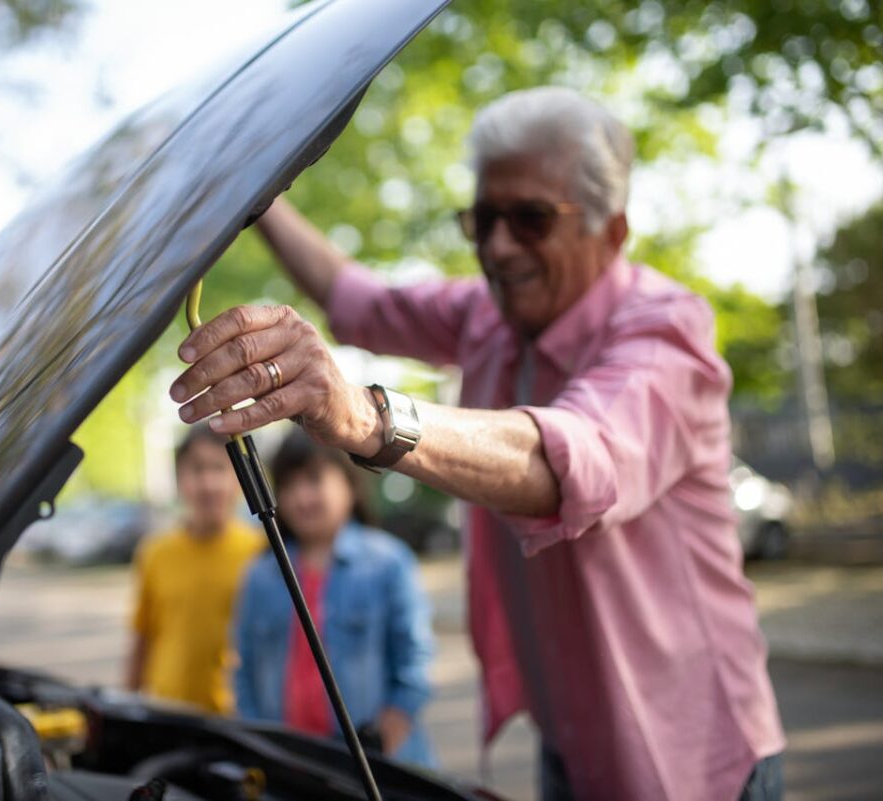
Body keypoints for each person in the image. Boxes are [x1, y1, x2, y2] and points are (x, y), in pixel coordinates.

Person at [168, 87, 785, 800]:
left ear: (611, 232)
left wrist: (363, 416)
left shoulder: (665, 330)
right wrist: (258, 192)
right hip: (570, 745)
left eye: (530, 219)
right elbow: (356, 300)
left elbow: (574, 456)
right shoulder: (484, 317)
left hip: (691, 752)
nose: (497, 246)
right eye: (484, 218)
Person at [233, 428, 436, 767]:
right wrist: (263, 746)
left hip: (376, 765)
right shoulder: (261, 575)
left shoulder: (388, 563)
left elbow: (414, 661)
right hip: (291, 765)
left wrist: (387, 735)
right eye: (288, 484)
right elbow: (245, 671)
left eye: (314, 479)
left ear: (349, 484)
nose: (301, 496)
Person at [126, 425, 262, 714]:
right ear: (180, 480)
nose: (209, 483)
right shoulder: (155, 553)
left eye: (219, 468)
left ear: (239, 479)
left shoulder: (261, 552)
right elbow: (142, 640)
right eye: (197, 469)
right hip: (168, 712)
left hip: (238, 717)